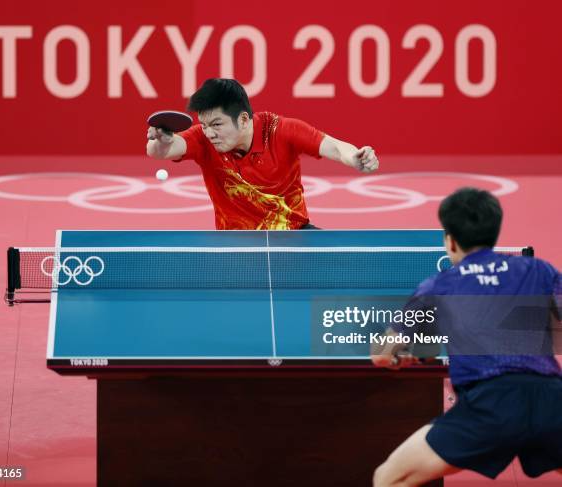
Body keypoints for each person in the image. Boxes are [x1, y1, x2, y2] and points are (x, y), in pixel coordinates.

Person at [370, 187, 562, 486]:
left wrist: (396, 360)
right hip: (551, 399)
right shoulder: (539, 270)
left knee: (388, 479)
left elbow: (382, 353)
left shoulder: (438, 286)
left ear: (450, 240)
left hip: (489, 407)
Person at [146, 78, 379, 230]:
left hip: (294, 238)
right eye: (204, 125)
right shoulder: (203, 139)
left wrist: (355, 158)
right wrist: (159, 140)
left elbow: (335, 147)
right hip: (235, 248)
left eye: (216, 124)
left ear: (244, 119)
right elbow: (164, 150)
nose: (209, 133)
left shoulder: (282, 130)